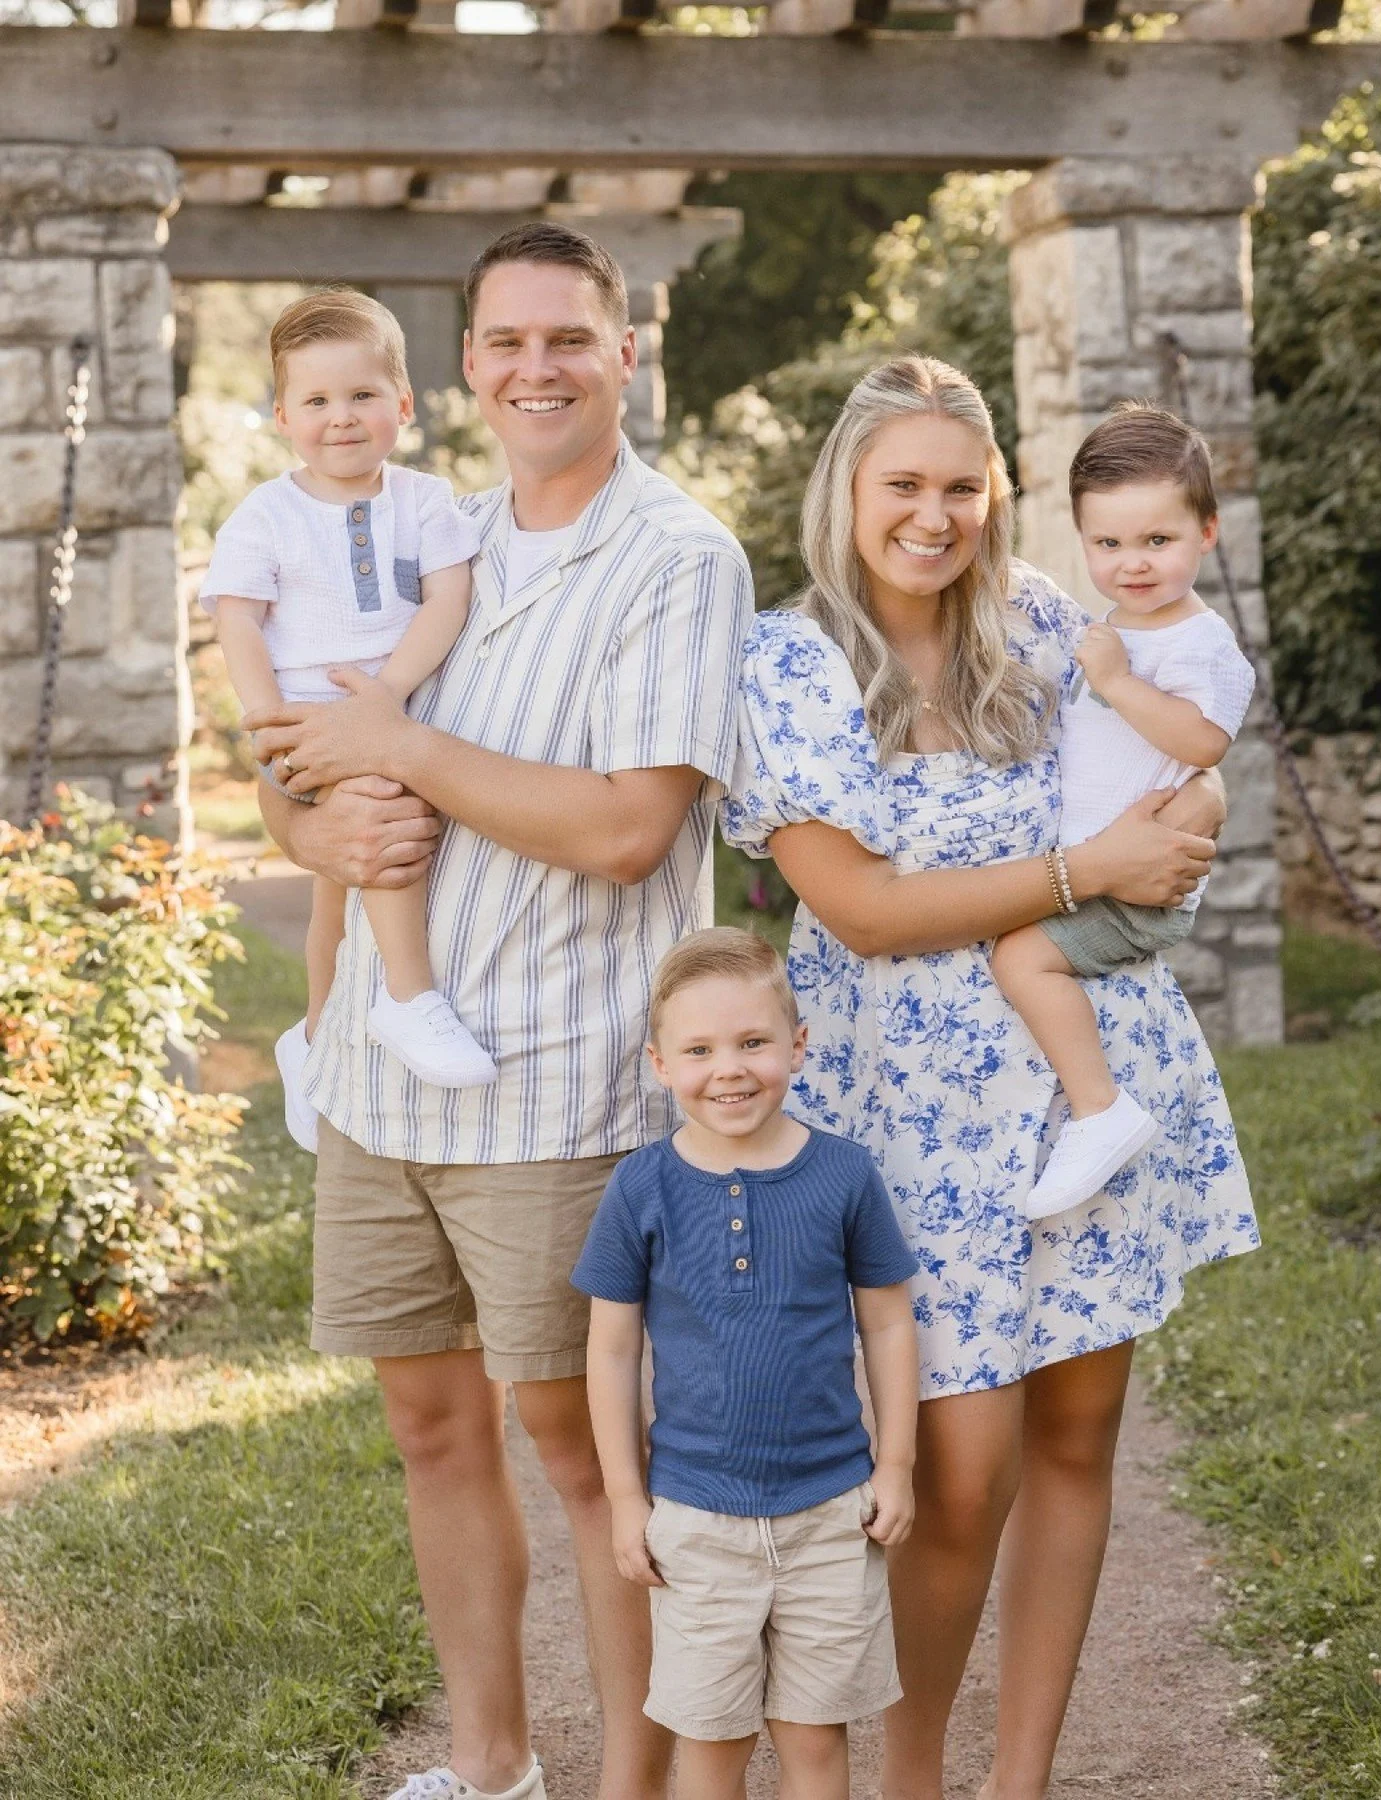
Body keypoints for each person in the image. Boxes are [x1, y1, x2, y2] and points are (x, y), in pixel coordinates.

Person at [245, 223, 754, 1800]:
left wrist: (399, 748)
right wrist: (319, 827)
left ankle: (636, 1790)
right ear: (465, 365)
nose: (538, 369)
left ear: (624, 355)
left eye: (569, 338)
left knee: (585, 1449)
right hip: (379, 1077)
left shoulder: (678, 558)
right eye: (508, 342)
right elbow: (296, 767)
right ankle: (492, 1771)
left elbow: (630, 829)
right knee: (432, 1428)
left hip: (557, 1085)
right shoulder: (427, 537)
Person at [722, 355, 1259, 1800]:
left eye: (963, 486)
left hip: (1091, 1081)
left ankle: (1019, 1783)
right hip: (911, 1116)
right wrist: (1091, 866)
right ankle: (913, 1783)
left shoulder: (1045, 621)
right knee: (958, 1476)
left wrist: (1188, 818)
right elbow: (864, 912)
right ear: (846, 490)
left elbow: (1185, 755)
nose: (935, 514)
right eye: (904, 483)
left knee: (1078, 1441)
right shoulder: (787, 662)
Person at [575, 928, 921, 1800]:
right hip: (695, 1518)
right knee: (711, 1744)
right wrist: (626, 1498)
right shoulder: (642, 1186)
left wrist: (896, 1465)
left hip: (829, 1512)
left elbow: (887, 1323)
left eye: (753, 1042)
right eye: (699, 1050)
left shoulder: (844, 1175)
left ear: (797, 1046)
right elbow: (611, 1349)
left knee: (815, 1740)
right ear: (660, 1064)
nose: (728, 1070)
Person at [202, 290, 496, 1151]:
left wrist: (389, 691)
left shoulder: (425, 500)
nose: (341, 417)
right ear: (283, 417)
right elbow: (237, 619)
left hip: (388, 709)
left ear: (403, 404)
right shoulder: (266, 515)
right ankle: (410, 995)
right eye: (318, 400)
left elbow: (449, 597)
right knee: (378, 812)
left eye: (363, 395)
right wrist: (266, 718)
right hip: (303, 723)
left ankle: (314, 1032)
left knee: (335, 889)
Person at [989, 405, 1255, 1221]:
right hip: (1098, 867)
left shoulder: (1200, 644)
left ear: (1206, 532)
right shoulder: (1112, 628)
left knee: (1021, 960)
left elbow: (1204, 740)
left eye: (1157, 540)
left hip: (1138, 886)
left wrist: (1118, 683)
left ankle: (1099, 1109)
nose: (1132, 563)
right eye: (1107, 543)